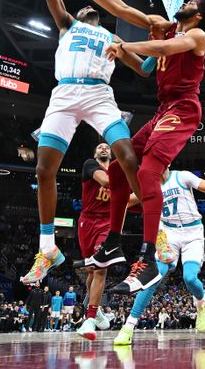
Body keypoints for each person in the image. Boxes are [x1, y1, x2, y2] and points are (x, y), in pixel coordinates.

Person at [59, 0, 205, 295]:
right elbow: (120, 9)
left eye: (191, 1)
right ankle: (114, 243)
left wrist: (125, 44)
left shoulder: (197, 37)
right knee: (119, 169)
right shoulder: (162, 26)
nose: (185, 2)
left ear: (199, 14)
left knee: (148, 173)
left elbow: (162, 51)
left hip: (184, 109)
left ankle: (148, 259)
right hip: (163, 110)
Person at [18, 0, 143, 285]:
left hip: (100, 95)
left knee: (129, 156)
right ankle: (47, 248)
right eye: (83, 7)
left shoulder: (112, 40)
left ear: (101, 19)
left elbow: (146, 69)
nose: (88, 9)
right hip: (65, 93)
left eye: (93, 10)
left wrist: (162, 47)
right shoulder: (67, 24)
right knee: (43, 171)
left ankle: (157, 233)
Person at [113, 167, 205, 346]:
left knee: (189, 278)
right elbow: (125, 201)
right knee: (152, 278)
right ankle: (128, 327)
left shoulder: (182, 176)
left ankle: (202, 303)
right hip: (167, 234)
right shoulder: (149, 185)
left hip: (192, 231)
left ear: (167, 161)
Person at [76, 143, 115, 340]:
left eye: (107, 147)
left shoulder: (117, 169)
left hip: (107, 223)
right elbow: (106, 182)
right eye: (100, 147)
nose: (104, 148)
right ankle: (95, 307)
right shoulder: (90, 165)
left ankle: (89, 319)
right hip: (87, 221)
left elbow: (128, 199)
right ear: (95, 153)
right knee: (91, 270)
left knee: (100, 268)